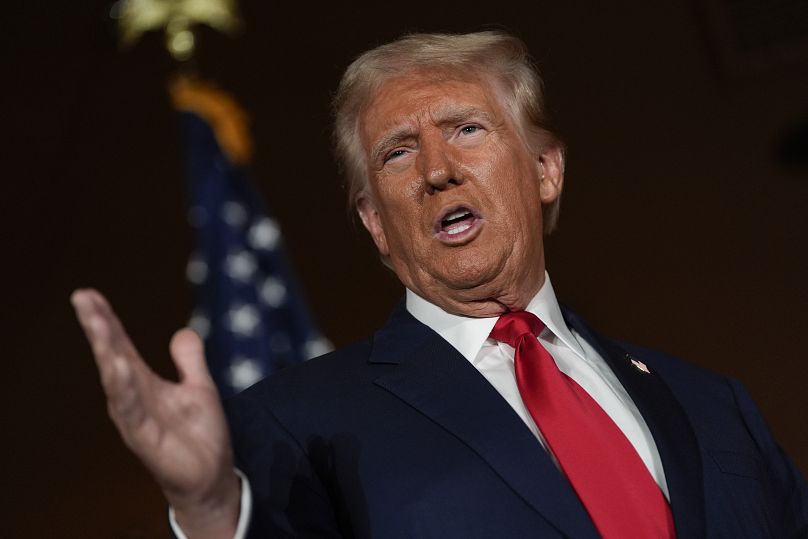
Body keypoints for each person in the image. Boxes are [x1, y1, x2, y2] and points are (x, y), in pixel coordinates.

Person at [72, 31, 808, 538]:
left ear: (546, 170)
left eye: (466, 129)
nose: (435, 169)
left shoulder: (712, 404)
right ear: (375, 225)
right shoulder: (300, 423)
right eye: (397, 153)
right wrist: (206, 507)